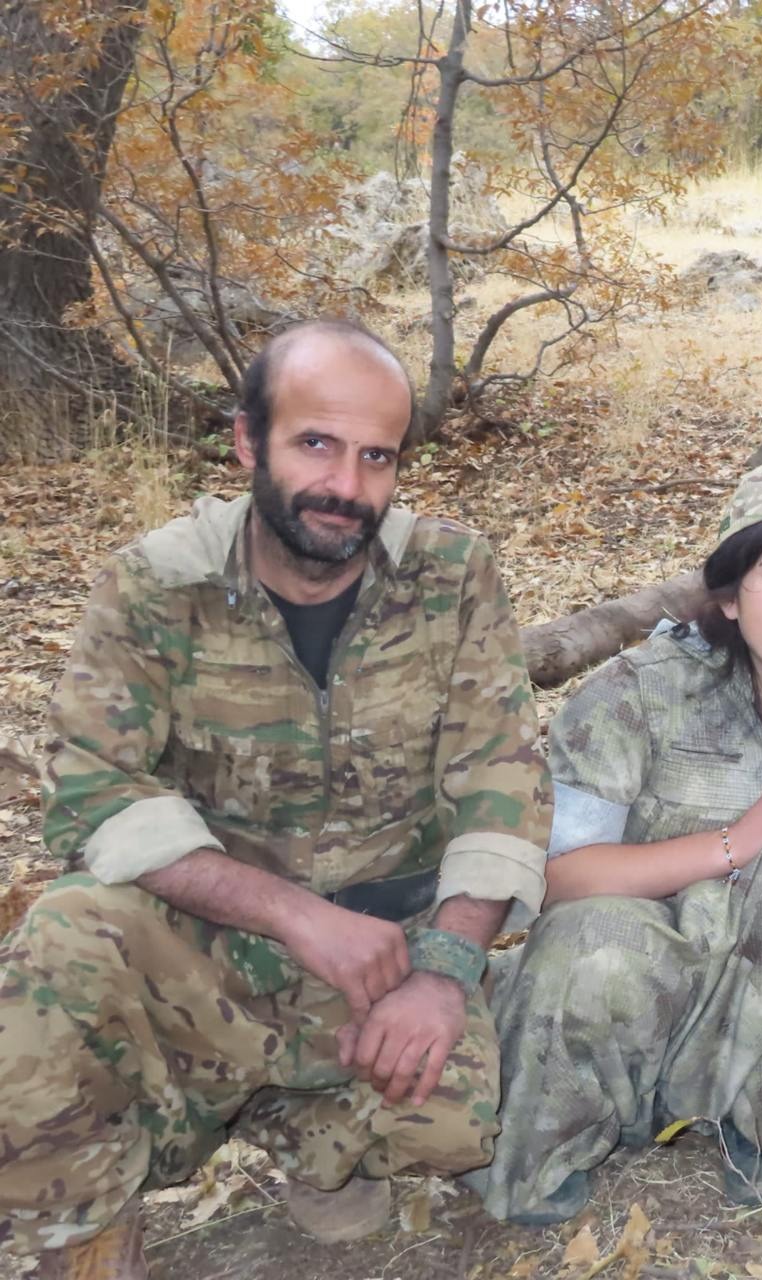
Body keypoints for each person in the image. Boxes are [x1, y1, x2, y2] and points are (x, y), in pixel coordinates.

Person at [0, 319, 552, 1276]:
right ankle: (79, 1216)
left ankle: (298, 1128)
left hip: (381, 949)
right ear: (248, 442)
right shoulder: (157, 583)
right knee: (61, 944)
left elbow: (501, 778)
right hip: (205, 942)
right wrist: (295, 915)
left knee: (450, 1126)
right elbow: (91, 788)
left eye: (377, 456)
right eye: (316, 444)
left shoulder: (451, 576)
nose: (347, 485)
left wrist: (442, 971)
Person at [476, 458, 762, 1225]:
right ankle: (555, 1134)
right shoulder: (633, 692)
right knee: (595, 934)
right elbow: (554, 879)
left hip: (761, 992)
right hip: (635, 982)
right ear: (727, 594)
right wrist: (732, 843)